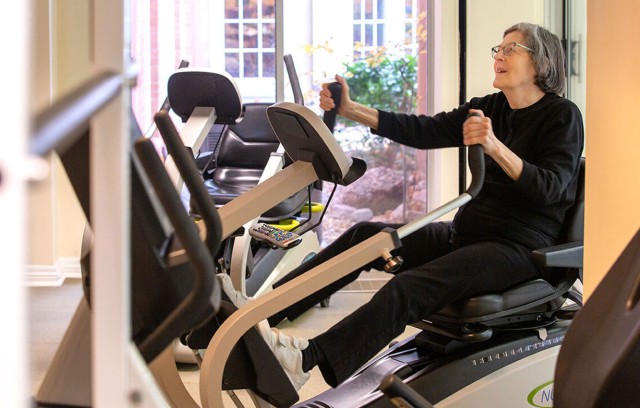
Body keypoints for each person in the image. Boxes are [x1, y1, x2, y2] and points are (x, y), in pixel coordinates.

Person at [220, 22, 584, 391]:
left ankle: (303, 360)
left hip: (517, 248)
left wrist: (494, 147)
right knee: (366, 237)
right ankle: (257, 315)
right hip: (468, 236)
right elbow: (422, 130)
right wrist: (349, 108)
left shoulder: (562, 116)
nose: (498, 56)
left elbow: (551, 188)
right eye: (498, 49)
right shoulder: (490, 108)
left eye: (511, 49)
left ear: (540, 64)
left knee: (407, 289)